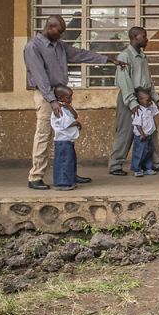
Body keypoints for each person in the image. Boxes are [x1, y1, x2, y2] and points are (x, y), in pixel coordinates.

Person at [24, 15, 128, 190]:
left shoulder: (59, 46)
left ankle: (68, 172)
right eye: (59, 31)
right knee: (44, 134)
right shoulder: (33, 47)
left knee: (68, 134)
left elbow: (81, 54)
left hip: (61, 96)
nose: (62, 35)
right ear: (50, 27)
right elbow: (39, 77)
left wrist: (108, 60)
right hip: (46, 96)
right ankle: (36, 176)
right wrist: (52, 101)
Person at [109, 26, 159, 176]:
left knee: (150, 130)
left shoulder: (142, 56)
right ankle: (116, 164)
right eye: (144, 36)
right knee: (125, 131)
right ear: (135, 38)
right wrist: (132, 103)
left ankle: (156, 162)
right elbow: (124, 82)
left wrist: (156, 98)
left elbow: (148, 81)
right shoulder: (125, 57)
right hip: (131, 99)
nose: (146, 39)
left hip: (144, 99)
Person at [50, 85, 81, 192]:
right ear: (60, 97)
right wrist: (76, 123)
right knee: (63, 161)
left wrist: (70, 108)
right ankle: (63, 183)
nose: (70, 100)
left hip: (69, 141)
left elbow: (75, 115)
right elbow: (66, 123)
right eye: (68, 97)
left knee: (70, 161)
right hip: (62, 141)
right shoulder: (59, 110)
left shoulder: (66, 108)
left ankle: (70, 180)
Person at [131, 88, 159, 178]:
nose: (150, 102)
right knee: (139, 152)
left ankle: (147, 168)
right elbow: (137, 124)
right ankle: (137, 169)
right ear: (140, 100)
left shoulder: (149, 108)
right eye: (148, 100)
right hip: (141, 137)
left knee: (148, 152)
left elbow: (155, 110)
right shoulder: (139, 111)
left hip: (148, 136)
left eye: (151, 100)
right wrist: (142, 134)